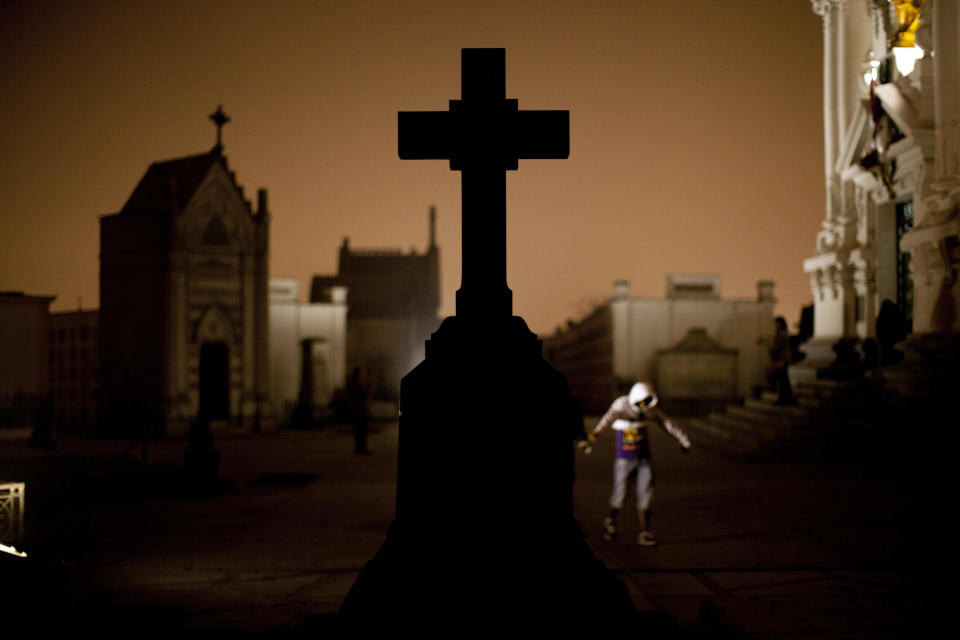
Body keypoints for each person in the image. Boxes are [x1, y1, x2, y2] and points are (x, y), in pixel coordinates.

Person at [587, 382, 690, 546]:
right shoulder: (621, 405)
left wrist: (684, 441)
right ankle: (611, 521)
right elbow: (608, 418)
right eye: (640, 403)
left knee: (646, 495)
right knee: (620, 494)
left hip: (644, 458)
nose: (642, 407)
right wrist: (596, 433)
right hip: (624, 459)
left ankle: (644, 531)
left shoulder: (651, 410)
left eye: (646, 402)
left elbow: (667, 424)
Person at [768, 316, 795, 406]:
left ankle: (784, 399)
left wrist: (771, 350)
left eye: (776, 323)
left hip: (781, 360)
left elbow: (777, 347)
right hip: (783, 360)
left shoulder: (781, 335)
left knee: (782, 381)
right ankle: (786, 398)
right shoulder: (783, 334)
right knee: (783, 380)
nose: (775, 325)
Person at [346, 366, 372, 455]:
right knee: (361, 430)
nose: (364, 374)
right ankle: (361, 448)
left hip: (360, 410)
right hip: (360, 410)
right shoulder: (357, 384)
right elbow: (364, 394)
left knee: (361, 430)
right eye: (362, 372)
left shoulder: (356, 383)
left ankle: (360, 447)